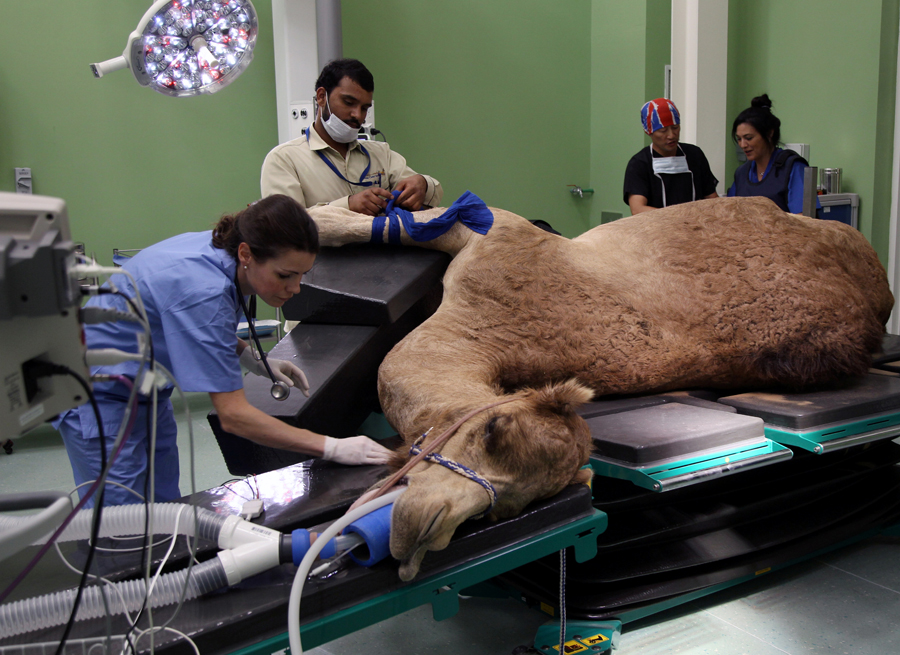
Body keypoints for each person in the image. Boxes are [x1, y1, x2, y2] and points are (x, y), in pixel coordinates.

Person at [56, 195, 392, 507]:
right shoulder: (202, 286)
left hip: (146, 392)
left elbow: (189, 322)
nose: (295, 288)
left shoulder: (224, 253)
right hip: (98, 396)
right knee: (121, 527)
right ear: (247, 254)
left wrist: (252, 358)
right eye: (285, 275)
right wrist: (332, 446)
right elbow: (234, 417)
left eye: (303, 275)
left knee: (166, 512)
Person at [260, 58, 443, 216]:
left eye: (364, 108)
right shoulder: (284, 160)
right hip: (322, 257)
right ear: (321, 97)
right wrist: (347, 206)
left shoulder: (380, 154)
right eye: (348, 103)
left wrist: (422, 184)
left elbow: (433, 191)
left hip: (386, 255)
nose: (358, 115)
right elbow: (285, 227)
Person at [623, 98, 719, 215]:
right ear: (649, 132)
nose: (671, 135)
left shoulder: (694, 154)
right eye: (663, 130)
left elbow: (712, 199)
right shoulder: (639, 164)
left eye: (675, 127)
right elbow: (638, 209)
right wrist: (680, 216)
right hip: (657, 229)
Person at [727, 94, 812, 214]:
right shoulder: (742, 173)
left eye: (749, 138)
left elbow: (805, 220)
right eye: (739, 139)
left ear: (769, 134)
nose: (743, 145)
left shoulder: (793, 168)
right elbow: (730, 214)